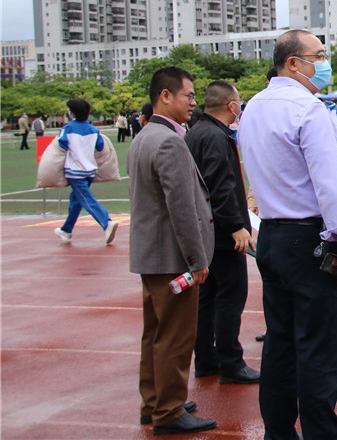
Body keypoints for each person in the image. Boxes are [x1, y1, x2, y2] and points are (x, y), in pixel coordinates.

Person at [238, 30, 337, 440]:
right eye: (318, 55)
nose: (323, 62)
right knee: (320, 348)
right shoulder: (308, 109)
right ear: (293, 62)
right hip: (307, 237)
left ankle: (278, 433)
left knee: (280, 343)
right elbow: (329, 184)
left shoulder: (252, 106)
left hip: (271, 235)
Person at [127, 67, 216, 434]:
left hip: (151, 255)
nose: (193, 103)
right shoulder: (169, 142)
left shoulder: (143, 136)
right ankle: (169, 410)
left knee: (154, 334)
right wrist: (197, 261)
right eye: (188, 96)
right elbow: (182, 208)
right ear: (165, 96)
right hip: (172, 258)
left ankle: (154, 402)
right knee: (176, 338)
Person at [185, 80, 260, 386]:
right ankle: (231, 362)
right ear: (231, 106)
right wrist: (236, 227)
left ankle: (205, 359)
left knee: (208, 298)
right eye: (238, 103)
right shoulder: (216, 137)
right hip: (222, 233)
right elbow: (221, 186)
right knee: (231, 296)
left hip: (205, 231)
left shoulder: (196, 133)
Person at [53, 98, 118, 245]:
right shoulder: (94, 130)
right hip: (89, 171)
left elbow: (61, 144)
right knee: (76, 200)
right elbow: (100, 147)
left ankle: (106, 222)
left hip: (75, 171)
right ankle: (67, 230)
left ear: (73, 113)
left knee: (86, 199)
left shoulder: (67, 129)